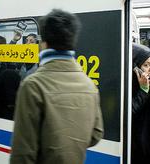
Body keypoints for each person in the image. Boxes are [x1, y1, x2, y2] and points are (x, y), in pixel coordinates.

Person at [10, 9, 104, 164]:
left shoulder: (33, 85)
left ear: (44, 44)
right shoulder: (89, 85)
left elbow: (23, 154)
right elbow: (96, 134)